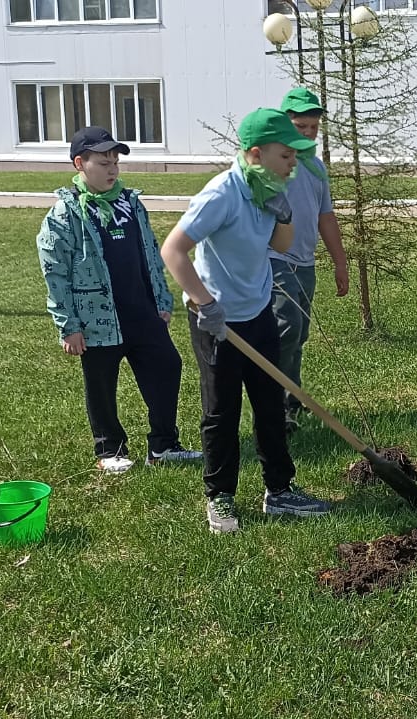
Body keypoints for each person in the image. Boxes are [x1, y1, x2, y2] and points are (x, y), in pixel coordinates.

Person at [161, 107, 334, 534]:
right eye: (286, 156)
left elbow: (280, 243)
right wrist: (206, 304)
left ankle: (279, 490)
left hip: (257, 311)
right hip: (216, 321)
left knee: (270, 403)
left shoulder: (267, 190)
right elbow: (173, 251)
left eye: (296, 156)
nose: (294, 163)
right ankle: (219, 497)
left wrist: (285, 215)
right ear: (256, 155)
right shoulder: (222, 194)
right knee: (222, 411)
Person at [36, 127, 202, 474]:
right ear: (80, 163)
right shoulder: (65, 215)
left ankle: (163, 445)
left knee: (167, 366)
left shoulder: (130, 204)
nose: (112, 169)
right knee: (100, 383)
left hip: (141, 311)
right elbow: (56, 274)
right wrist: (68, 326)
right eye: (103, 162)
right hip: (96, 319)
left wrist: (161, 297)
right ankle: (109, 449)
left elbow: (150, 255)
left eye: (115, 162)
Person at [273, 87, 350, 433]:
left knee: (299, 333)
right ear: (285, 124)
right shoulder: (275, 164)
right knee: (285, 327)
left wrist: (339, 261)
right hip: (273, 259)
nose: (307, 133)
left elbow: (326, 216)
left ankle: (292, 398)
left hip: (304, 263)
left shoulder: (317, 168)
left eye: (313, 127)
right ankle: (276, 405)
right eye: (299, 126)